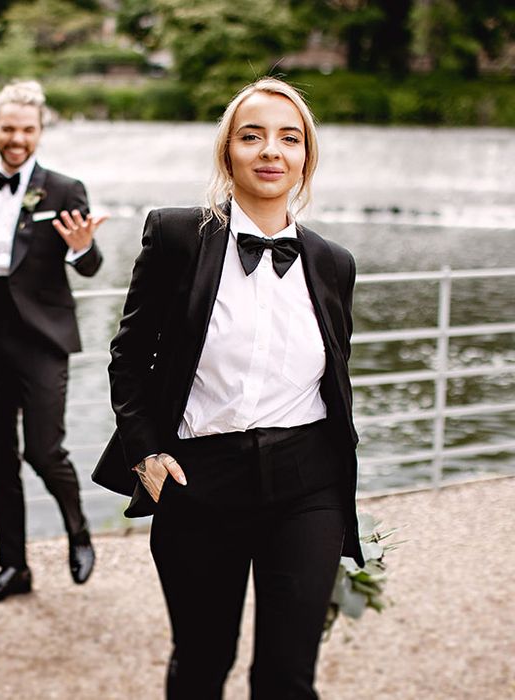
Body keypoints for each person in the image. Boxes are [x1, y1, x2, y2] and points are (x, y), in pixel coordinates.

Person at [93, 77, 364, 699]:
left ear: (305, 159)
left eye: (288, 139)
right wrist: (146, 452)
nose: (271, 151)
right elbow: (129, 355)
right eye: (253, 136)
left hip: (307, 483)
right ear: (228, 153)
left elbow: (336, 379)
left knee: (288, 676)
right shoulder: (176, 237)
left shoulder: (334, 262)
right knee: (202, 663)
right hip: (199, 480)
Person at [0, 81, 106, 604]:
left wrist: (81, 249)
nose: (18, 138)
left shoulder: (64, 188)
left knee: (43, 450)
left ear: (40, 132)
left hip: (41, 338)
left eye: (27, 130)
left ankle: (78, 529)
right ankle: (12, 567)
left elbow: (89, 264)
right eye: (9, 128)